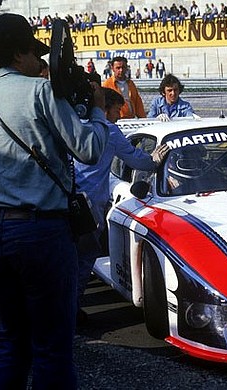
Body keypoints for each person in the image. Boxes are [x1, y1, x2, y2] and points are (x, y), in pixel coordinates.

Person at [0, 13, 109, 389]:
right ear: (18, 54)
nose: (41, 62)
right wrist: (96, 109)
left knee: (13, 344)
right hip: (40, 232)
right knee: (52, 349)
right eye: (35, 53)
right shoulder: (40, 92)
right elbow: (90, 149)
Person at [75, 89, 168, 322]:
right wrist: (153, 160)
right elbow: (137, 160)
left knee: (68, 257)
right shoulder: (110, 130)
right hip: (91, 204)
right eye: (117, 109)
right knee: (85, 256)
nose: (119, 114)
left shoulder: (76, 126)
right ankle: (72, 309)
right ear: (104, 109)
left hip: (67, 200)